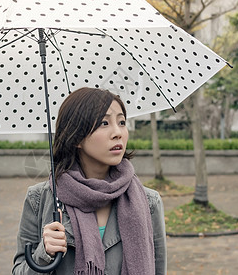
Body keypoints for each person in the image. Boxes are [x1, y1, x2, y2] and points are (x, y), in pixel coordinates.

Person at [13, 87, 167, 275]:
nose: (118, 132)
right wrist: (43, 253)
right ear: (76, 136)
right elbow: (19, 271)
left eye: (121, 122)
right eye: (104, 123)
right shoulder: (40, 199)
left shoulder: (148, 202)